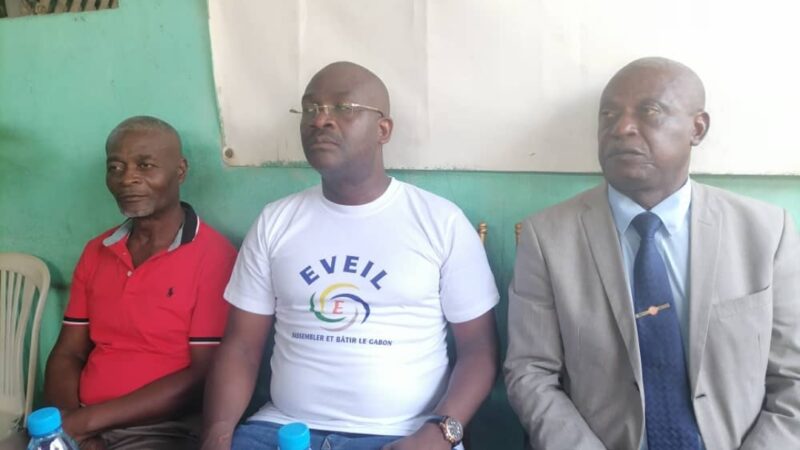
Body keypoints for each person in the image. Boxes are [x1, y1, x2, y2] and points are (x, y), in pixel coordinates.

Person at [505, 57, 800, 450]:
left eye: (650, 111)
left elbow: (792, 377)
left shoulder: (765, 232)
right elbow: (530, 373)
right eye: (608, 115)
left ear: (698, 128)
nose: (621, 128)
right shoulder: (548, 238)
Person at [201, 61, 499, 450]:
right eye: (310, 108)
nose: (320, 120)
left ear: (383, 130)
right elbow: (241, 346)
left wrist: (441, 432)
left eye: (343, 107)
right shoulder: (275, 221)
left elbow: (478, 350)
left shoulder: (440, 222)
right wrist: (218, 434)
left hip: (405, 435)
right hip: (282, 430)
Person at [41, 116, 237, 450]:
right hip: (81, 422)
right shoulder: (97, 251)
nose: (127, 178)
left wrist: (85, 424)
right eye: (115, 167)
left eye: (145, 165)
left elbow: (204, 375)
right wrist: (70, 427)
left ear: (180, 171)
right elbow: (68, 352)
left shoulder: (214, 256)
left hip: (161, 430)